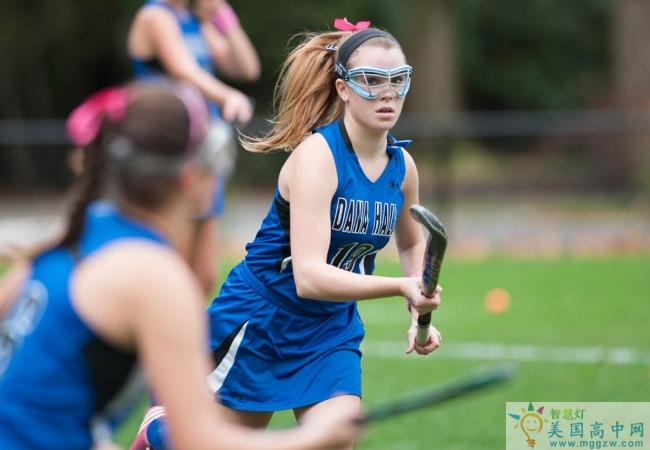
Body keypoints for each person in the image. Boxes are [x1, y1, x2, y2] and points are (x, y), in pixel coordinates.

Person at [133, 17, 443, 450]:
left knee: (336, 441)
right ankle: (159, 433)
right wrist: (401, 286)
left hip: (331, 329)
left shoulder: (402, 168)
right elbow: (309, 277)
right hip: (262, 321)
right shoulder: (318, 157)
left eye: (398, 79)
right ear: (343, 88)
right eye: (372, 80)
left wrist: (417, 307)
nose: (388, 92)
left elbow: (410, 241)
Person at [0, 80, 362, 450]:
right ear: (192, 179)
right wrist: (313, 437)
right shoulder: (157, 277)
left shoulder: (76, 231)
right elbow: (197, 440)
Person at [127, 0, 261, 294]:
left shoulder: (196, 21)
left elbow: (247, 68)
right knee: (176, 263)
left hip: (205, 148)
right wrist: (227, 97)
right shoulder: (155, 15)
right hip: (171, 148)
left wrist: (223, 17)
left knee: (204, 275)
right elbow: (182, 68)